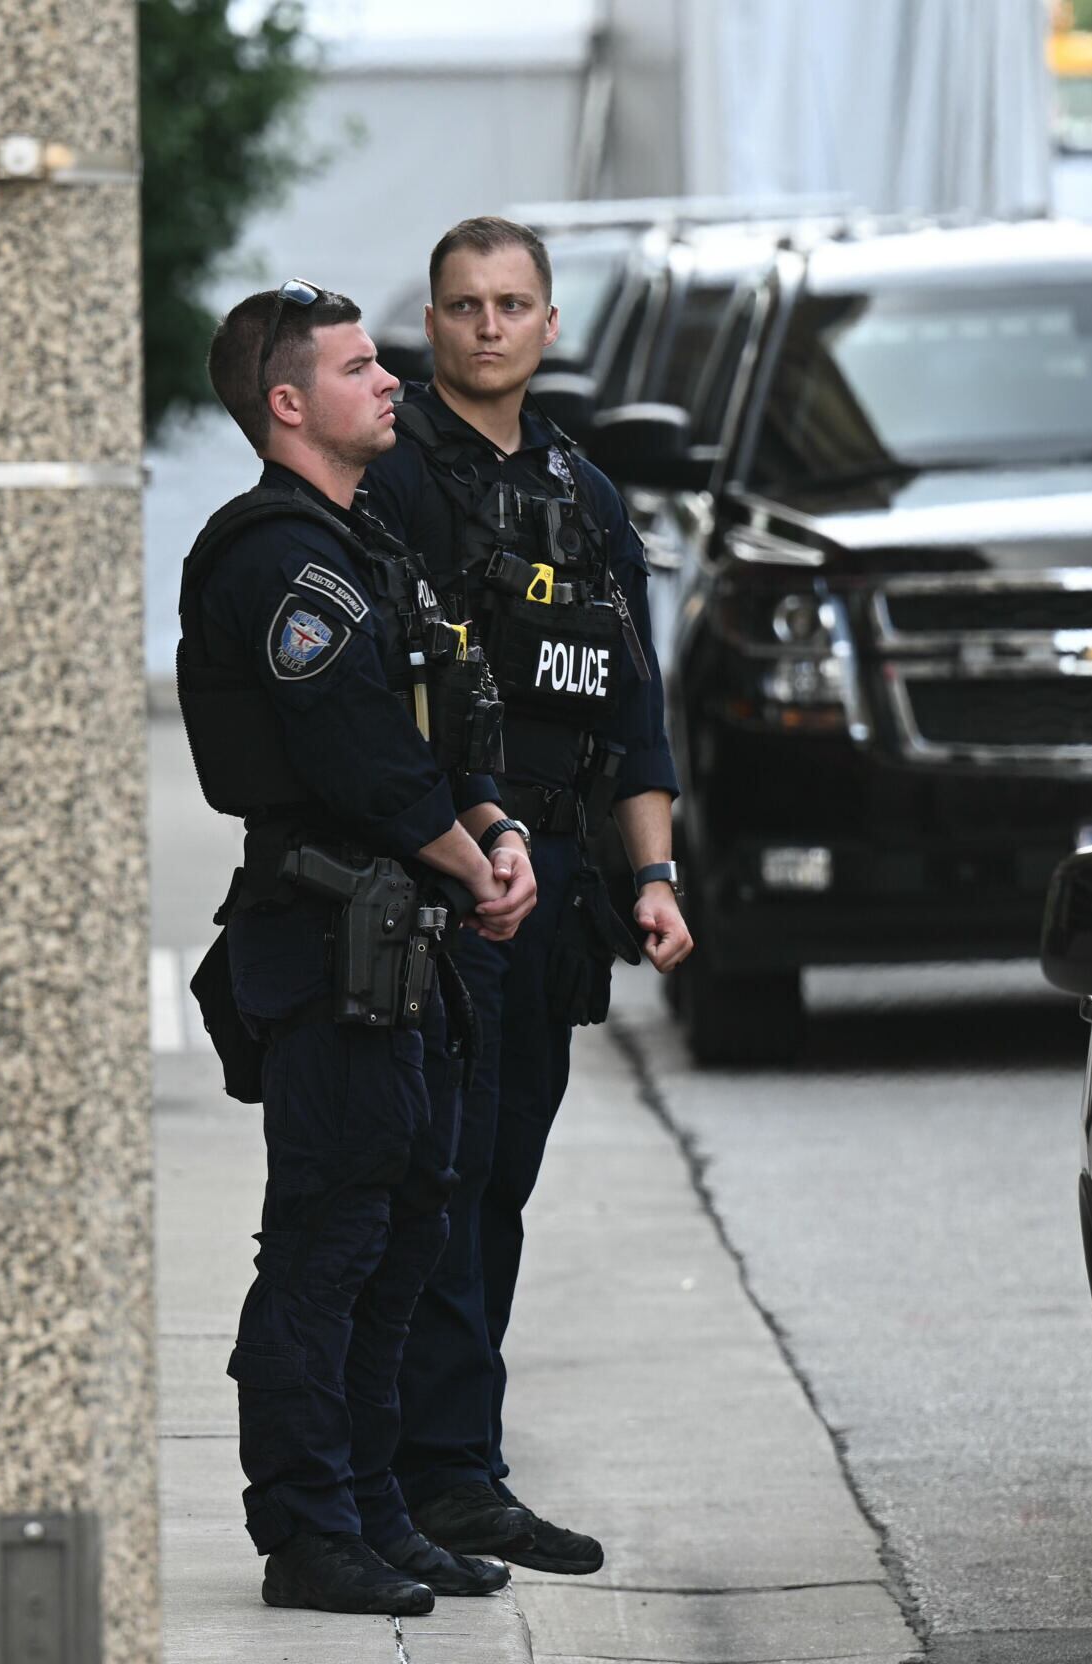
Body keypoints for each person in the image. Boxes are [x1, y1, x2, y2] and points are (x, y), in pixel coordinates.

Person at [178, 282, 538, 1613]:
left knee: (405, 1234)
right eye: (356, 367)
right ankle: (308, 1531)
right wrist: (468, 855)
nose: (390, 380)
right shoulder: (278, 560)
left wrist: (494, 832)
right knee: (328, 1245)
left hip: (411, 934)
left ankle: (375, 1504)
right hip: (333, 943)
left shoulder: (365, 541)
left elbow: (446, 720)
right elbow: (357, 756)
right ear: (288, 403)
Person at [363, 216, 691, 1576]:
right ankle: (441, 1471)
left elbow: (632, 704)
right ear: (431, 328)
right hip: (448, 888)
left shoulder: (583, 487)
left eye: (511, 305)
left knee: (498, 1182)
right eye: (462, 306)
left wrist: (655, 874)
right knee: (436, 1182)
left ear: (551, 326)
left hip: (554, 891)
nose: (488, 326)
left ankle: (451, 1461)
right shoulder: (395, 483)